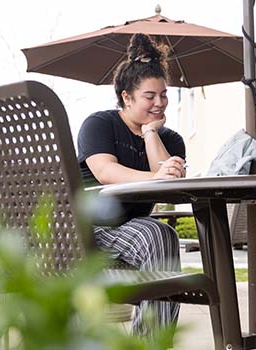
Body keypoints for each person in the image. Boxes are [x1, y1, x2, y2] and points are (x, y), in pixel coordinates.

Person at [75, 33, 185, 335]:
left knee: (161, 234)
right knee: (156, 234)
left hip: (131, 230)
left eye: (163, 95)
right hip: (85, 228)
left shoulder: (170, 139)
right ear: (127, 96)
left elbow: (170, 188)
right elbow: (105, 172)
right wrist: (157, 177)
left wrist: (151, 133)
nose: (159, 103)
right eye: (150, 96)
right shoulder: (99, 124)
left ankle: (151, 341)